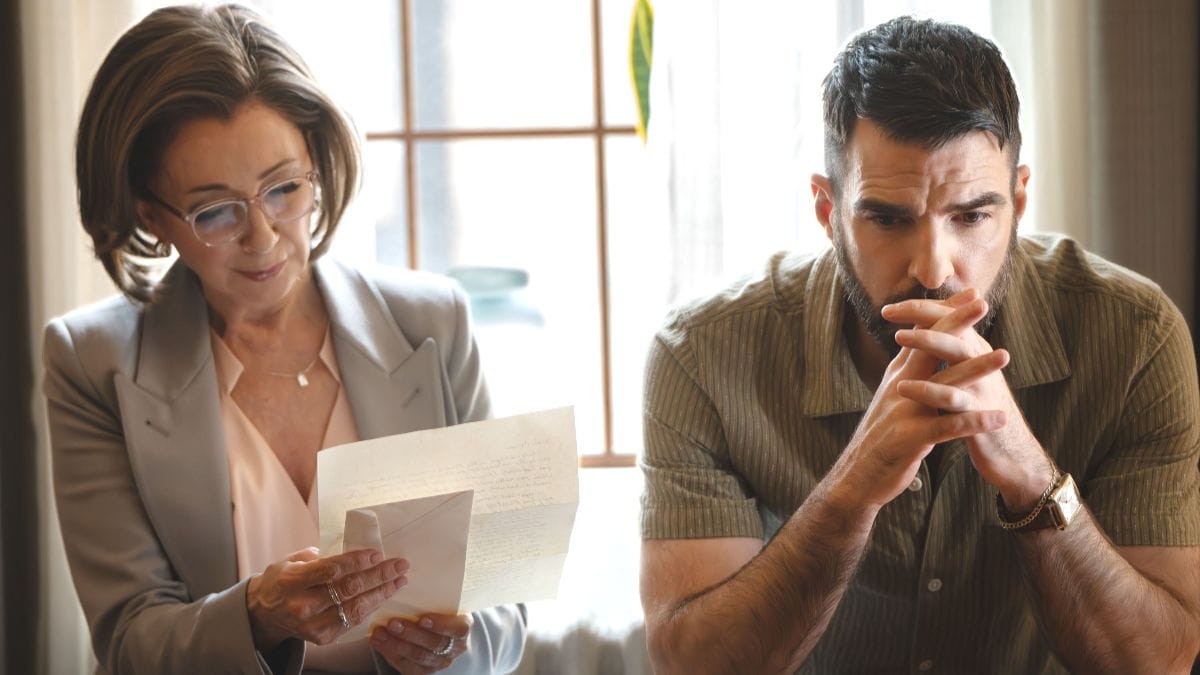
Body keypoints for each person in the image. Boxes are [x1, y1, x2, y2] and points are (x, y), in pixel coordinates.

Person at [639, 16, 1200, 674]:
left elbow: (1159, 660)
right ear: (828, 211)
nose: (934, 268)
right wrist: (850, 491)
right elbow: (692, 666)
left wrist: (1031, 477)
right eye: (888, 217)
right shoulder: (700, 354)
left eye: (971, 215)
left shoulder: (1136, 337)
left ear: (1019, 198)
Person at [43, 4, 526, 674]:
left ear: (318, 166)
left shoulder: (433, 323)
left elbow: (505, 608)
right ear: (153, 217)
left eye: (284, 188)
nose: (263, 237)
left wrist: (457, 644)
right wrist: (254, 616)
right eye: (215, 210)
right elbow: (130, 641)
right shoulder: (93, 362)